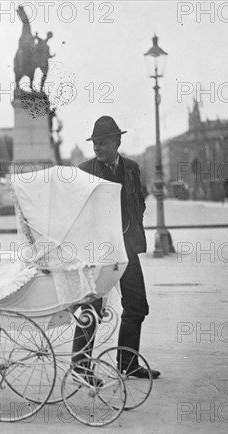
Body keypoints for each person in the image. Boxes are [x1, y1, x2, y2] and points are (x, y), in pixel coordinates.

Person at [73, 116, 160, 379]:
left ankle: (128, 363)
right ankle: (79, 366)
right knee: (92, 307)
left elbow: (139, 200)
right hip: (99, 252)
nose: (97, 147)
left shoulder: (131, 168)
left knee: (136, 305)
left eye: (103, 142)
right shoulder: (85, 170)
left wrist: (132, 230)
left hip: (127, 248)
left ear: (117, 142)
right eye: (95, 143)